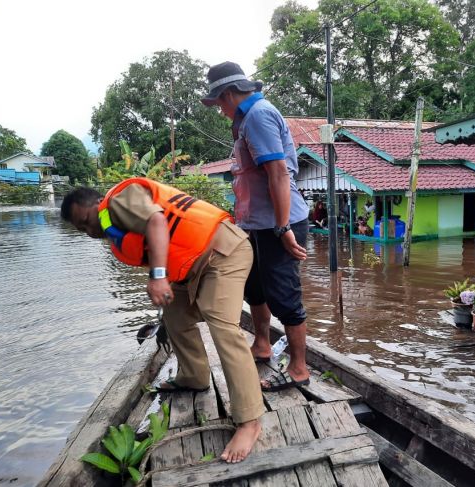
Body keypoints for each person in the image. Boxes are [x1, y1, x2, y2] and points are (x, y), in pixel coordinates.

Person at [60, 178, 264, 463]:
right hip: (193, 266)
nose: (90, 230)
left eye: (86, 220)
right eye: (81, 229)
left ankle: (250, 421)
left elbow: (156, 221)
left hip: (223, 253)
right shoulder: (117, 225)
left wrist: (157, 276)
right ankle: (194, 377)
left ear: (97, 204)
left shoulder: (118, 200)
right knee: (174, 316)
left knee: (222, 326)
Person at [201, 61, 311, 391]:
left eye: (219, 103)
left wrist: (281, 228)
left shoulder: (259, 115)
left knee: (285, 297)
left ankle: (299, 368)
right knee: (255, 290)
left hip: (279, 225)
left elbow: (277, 174)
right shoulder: (247, 119)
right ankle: (262, 346)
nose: (220, 110)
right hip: (255, 225)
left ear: (229, 94)